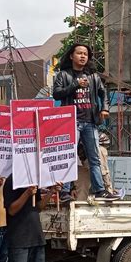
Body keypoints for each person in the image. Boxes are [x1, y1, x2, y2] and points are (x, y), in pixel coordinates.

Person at [53, 43, 118, 200]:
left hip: (90, 122)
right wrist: (75, 84)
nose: (83, 56)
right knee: (68, 156)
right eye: (79, 53)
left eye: (85, 54)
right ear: (71, 56)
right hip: (71, 121)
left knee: (94, 157)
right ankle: (65, 191)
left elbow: (103, 93)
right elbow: (56, 94)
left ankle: (99, 190)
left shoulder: (93, 76)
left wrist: (105, 109)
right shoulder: (63, 75)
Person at [3, 176, 61, 262]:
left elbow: (38, 207)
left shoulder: (32, 179)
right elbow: (12, 210)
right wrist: (27, 193)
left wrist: (51, 191)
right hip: (19, 238)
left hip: (36, 237)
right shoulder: (11, 180)